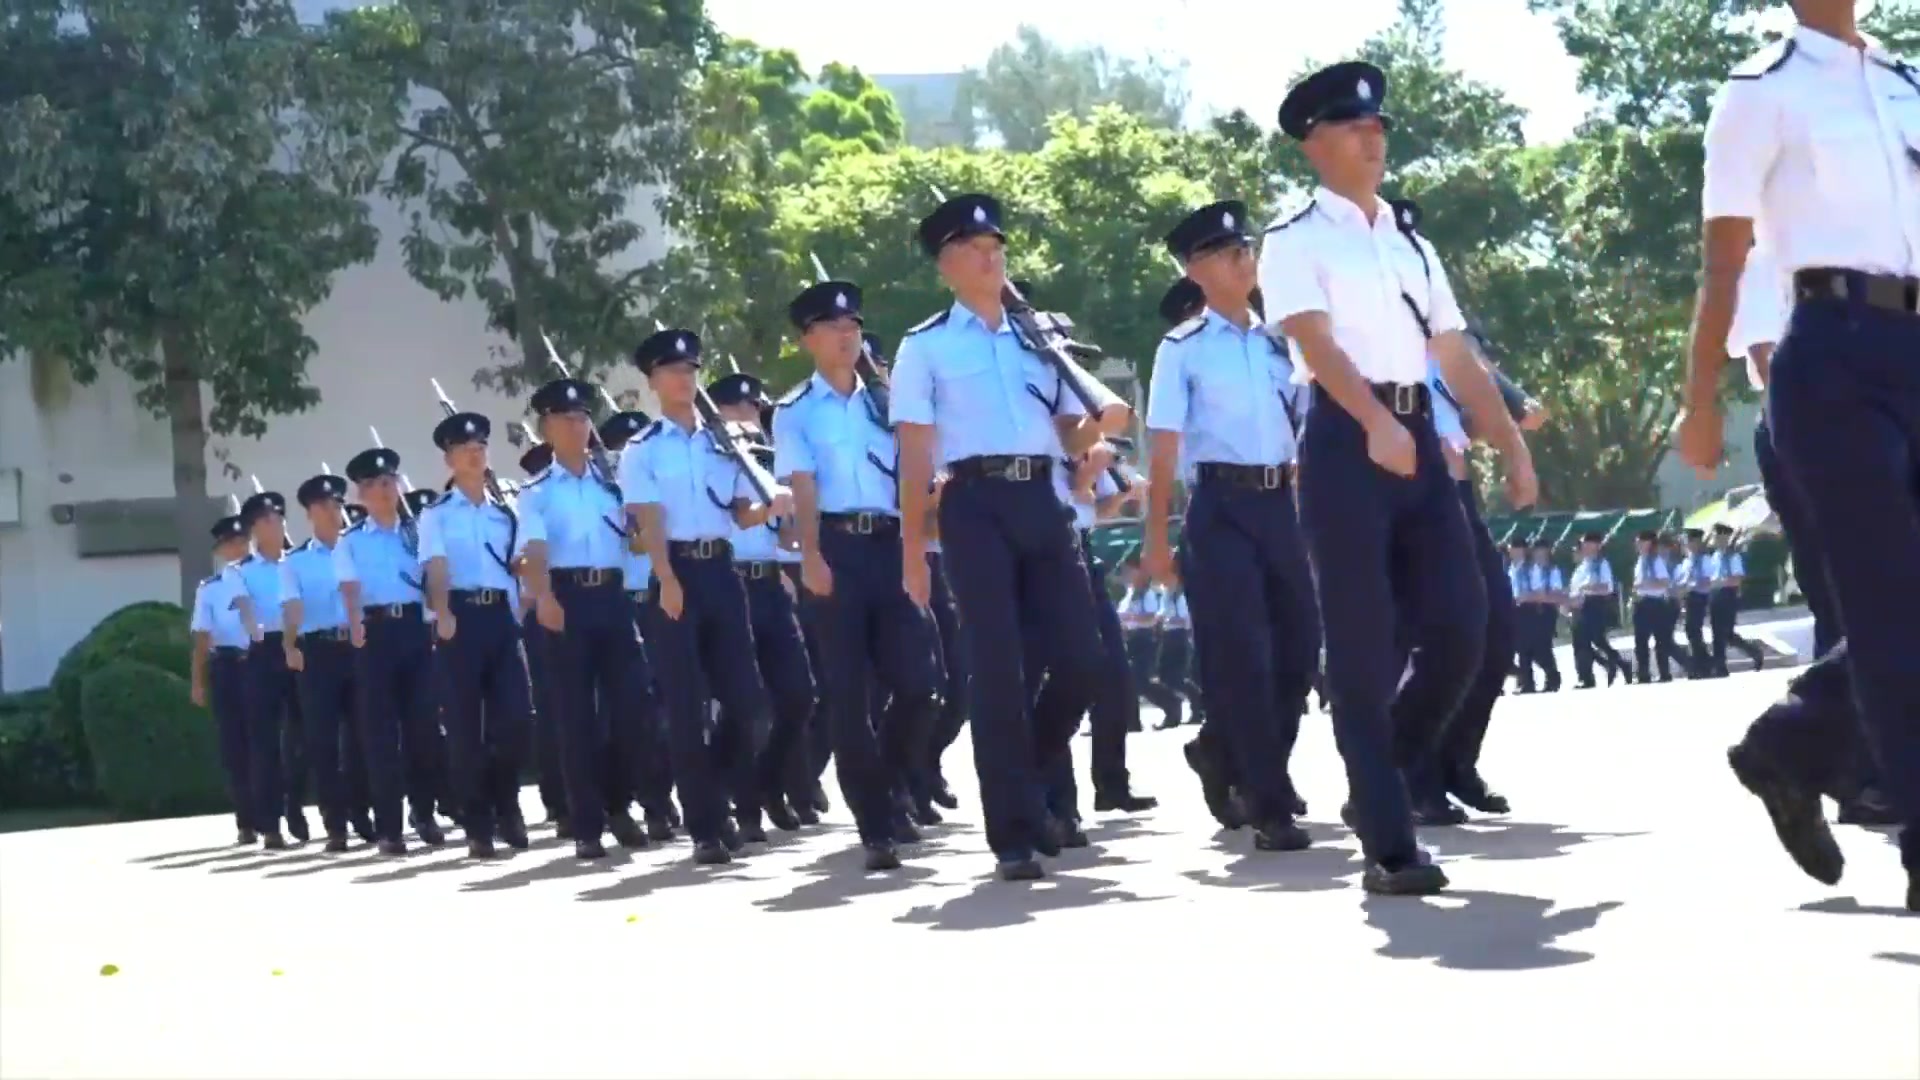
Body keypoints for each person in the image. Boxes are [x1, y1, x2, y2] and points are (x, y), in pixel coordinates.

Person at [1261, 60, 1536, 895]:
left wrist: (1512, 446)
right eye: (1352, 127)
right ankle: (1390, 844)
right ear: (1314, 144)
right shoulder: (1295, 239)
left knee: (1464, 625)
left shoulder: (1412, 242)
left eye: (1377, 127)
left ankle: (1387, 773)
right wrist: (1374, 423)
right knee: (1360, 643)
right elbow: (1313, 343)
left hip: (1416, 430)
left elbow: (1454, 352)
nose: (1372, 138)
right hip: (1346, 438)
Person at [1681, 0, 1920, 909]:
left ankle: (1795, 740)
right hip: (1828, 348)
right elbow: (1724, 260)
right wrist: (1699, 397)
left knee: (1905, 607)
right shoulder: (1759, 94)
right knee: (1889, 601)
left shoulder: (1905, 83)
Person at [889, 191, 1131, 881]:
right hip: (972, 503)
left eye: (996, 245)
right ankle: (1014, 834)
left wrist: (1100, 422)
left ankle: (1023, 773)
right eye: (972, 248)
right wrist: (913, 550)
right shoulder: (926, 345)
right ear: (946, 267)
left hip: (1042, 497)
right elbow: (913, 454)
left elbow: (1071, 428)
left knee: (1083, 659)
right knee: (997, 670)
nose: (990, 255)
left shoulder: (1039, 339)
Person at [1144, 198, 1316, 851]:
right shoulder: (1181, 349)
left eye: (1246, 248)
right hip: (1219, 508)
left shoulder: (1282, 341)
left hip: (1282, 507)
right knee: (1244, 654)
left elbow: (1307, 428)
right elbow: (1162, 449)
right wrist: (1156, 537)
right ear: (1195, 269)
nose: (1246, 259)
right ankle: (1269, 803)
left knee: (1299, 649)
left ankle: (1222, 750)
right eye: (1228, 251)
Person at [773, 281, 940, 870]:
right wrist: (811, 556)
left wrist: (919, 545)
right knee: (849, 696)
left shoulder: (888, 401)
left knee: (920, 685)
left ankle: (891, 784)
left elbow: (917, 473)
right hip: (837, 550)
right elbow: (804, 488)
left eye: (853, 326)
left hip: (893, 544)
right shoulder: (795, 412)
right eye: (832, 328)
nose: (847, 336)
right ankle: (875, 822)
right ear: (808, 340)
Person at [620, 331, 786, 867]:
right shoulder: (643, 449)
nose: (684, 379)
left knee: (747, 703)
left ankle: (720, 786)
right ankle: (706, 826)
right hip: (673, 573)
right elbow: (648, 523)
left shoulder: (723, 440)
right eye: (672, 371)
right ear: (653, 381)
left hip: (720, 568)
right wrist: (666, 578)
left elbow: (740, 511)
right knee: (687, 707)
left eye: (690, 369)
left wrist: (769, 508)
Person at [518, 378, 661, 859]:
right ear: (547, 428)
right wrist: (544, 596)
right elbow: (534, 548)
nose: (578, 427)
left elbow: (638, 540)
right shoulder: (536, 490)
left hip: (614, 599)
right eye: (566, 419)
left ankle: (619, 802)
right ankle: (587, 823)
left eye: (583, 418)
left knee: (632, 708)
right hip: (566, 599)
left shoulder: (614, 481)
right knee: (575, 717)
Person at [418, 411, 534, 858]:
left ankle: (507, 803)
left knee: (518, 719)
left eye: (481, 446)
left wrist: (524, 601)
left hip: (502, 620)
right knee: (466, 728)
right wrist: (443, 612)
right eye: (466, 448)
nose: (476, 452)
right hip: (460, 618)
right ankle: (479, 823)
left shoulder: (506, 511)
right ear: (449, 459)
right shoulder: (437, 514)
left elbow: (519, 562)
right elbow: (436, 565)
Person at [709, 371, 818, 837]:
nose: (753, 417)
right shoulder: (712, 462)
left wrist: (794, 540)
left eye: (757, 408)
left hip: (771, 584)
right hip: (729, 582)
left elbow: (783, 533)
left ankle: (768, 780)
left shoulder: (768, 462)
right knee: (744, 701)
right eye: (742, 408)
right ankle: (736, 796)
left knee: (798, 694)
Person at [335, 447, 443, 855]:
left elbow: (434, 578)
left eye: (387, 483)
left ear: (398, 486)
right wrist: (355, 625)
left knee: (423, 731)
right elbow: (349, 587)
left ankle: (424, 813)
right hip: (374, 636)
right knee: (380, 737)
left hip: (416, 630)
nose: (382, 491)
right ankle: (390, 828)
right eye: (372, 486)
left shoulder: (416, 532)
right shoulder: (351, 541)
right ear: (359, 495)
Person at [281, 472, 376, 851]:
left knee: (364, 735)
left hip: (359, 647)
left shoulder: (359, 549)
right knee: (322, 740)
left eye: (337, 503)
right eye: (324, 505)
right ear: (310, 512)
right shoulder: (297, 561)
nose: (333, 510)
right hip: (318, 651)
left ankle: (362, 811)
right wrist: (290, 646)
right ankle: (335, 822)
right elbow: (291, 606)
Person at [598, 410, 679, 841]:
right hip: (621, 604)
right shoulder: (605, 496)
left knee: (667, 708)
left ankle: (659, 800)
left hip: (660, 599)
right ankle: (619, 803)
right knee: (625, 713)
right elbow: (632, 539)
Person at [233, 488, 310, 847]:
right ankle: (270, 822)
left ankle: (295, 806)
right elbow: (246, 609)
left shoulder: (299, 560)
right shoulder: (240, 571)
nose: (275, 523)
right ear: (252, 529)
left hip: (301, 649)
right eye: (266, 519)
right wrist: (257, 632)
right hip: (263, 654)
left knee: (303, 737)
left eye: (279, 516)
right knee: (265, 741)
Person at [190, 514, 263, 845]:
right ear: (219, 551)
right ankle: (246, 822)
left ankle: (274, 815)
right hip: (229, 668)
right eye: (229, 543)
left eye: (240, 541)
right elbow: (203, 638)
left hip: (262, 663)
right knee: (235, 747)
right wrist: (198, 681)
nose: (236, 547)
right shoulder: (210, 589)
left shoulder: (266, 575)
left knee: (267, 742)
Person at [1568, 532, 1628, 688]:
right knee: (1581, 644)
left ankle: (1614, 664)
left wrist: (1586, 588)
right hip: (1579, 606)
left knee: (1595, 640)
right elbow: (1574, 588)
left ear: (1598, 546)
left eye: (1589, 544)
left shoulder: (1602, 564)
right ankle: (1589, 675)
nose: (1585, 547)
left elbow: (1606, 587)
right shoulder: (1583, 566)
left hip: (1594, 605)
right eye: (1584, 544)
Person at [1705, 524, 1766, 675]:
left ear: (1725, 538)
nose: (1716, 540)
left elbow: (1737, 579)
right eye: (1715, 537)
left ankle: (1754, 652)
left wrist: (1720, 582)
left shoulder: (1733, 557)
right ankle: (1720, 667)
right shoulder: (1715, 556)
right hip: (1715, 596)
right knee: (1716, 633)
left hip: (1728, 595)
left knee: (1727, 633)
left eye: (1719, 537)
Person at [1629, 530, 1680, 684]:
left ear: (1649, 543)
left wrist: (1644, 584)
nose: (1637, 544)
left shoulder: (1655, 561)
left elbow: (1664, 582)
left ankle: (1664, 672)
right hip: (1642, 602)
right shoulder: (1641, 560)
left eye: (1640, 541)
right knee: (1640, 641)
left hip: (1655, 602)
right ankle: (1643, 673)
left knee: (1661, 640)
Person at [1675, 529, 1714, 677]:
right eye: (1687, 542)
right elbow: (1682, 579)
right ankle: (1703, 662)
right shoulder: (1687, 561)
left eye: (1691, 541)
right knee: (1691, 631)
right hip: (1689, 598)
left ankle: (1703, 664)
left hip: (1699, 597)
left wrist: (1690, 585)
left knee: (1693, 630)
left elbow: (1707, 579)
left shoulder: (1704, 559)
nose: (1689, 545)